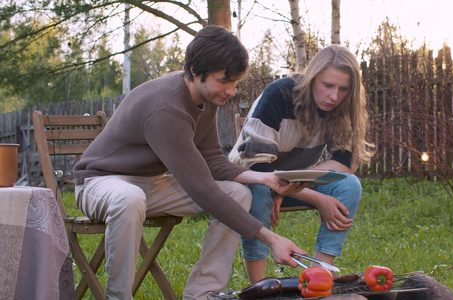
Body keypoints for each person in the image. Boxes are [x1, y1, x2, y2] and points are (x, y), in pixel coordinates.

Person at [73, 25, 308, 300]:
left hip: (152, 183)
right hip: (100, 182)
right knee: (130, 198)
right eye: (225, 80)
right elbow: (202, 188)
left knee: (237, 193)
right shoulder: (166, 109)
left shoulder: (207, 97)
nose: (231, 91)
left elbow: (211, 162)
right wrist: (271, 239)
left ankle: (203, 293)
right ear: (196, 71)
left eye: (235, 82)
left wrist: (264, 178)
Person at [229, 44, 374, 284]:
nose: (334, 96)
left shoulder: (342, 108)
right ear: (312, 77)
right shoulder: (280, 94)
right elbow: (258, 168)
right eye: (328, 85)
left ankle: (320, 275)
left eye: (343, 89)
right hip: (250, 180)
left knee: (350, 185)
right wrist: (317, 198)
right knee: (261, 190)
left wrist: (293, 182)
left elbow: (344, 161)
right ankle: (258, 287)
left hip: (291, 183)